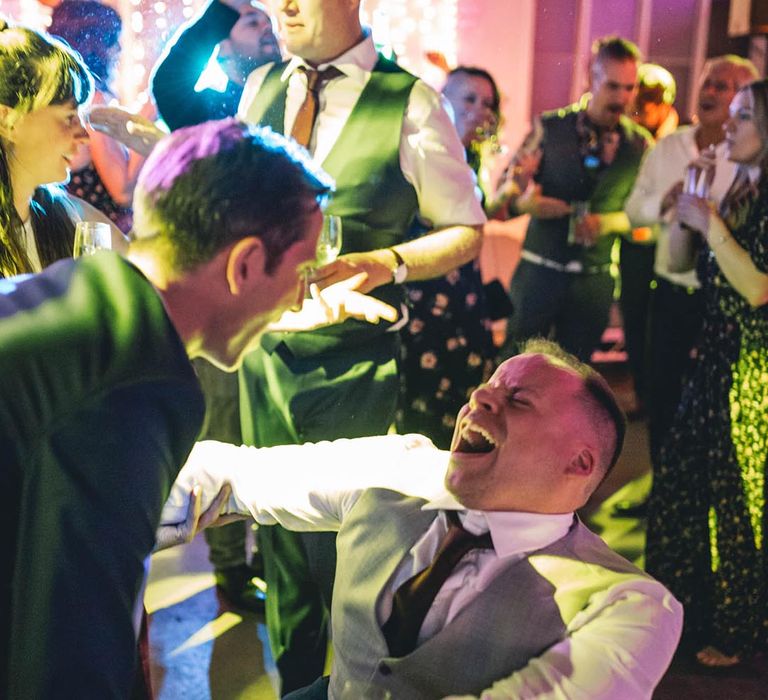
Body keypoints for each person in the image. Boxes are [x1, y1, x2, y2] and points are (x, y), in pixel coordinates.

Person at [0, 113, 398, 698]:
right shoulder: (135, 381)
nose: (302, 296)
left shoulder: (88, 302)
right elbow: (69, 650)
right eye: (303, 272)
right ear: (243, 264)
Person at [162, 339, 683, 699]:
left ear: (579, 463)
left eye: (517, 400)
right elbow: (235, 475)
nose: (478, 398)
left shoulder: (631, 604)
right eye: (488, 387)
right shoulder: (400, 465)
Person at [236, 0, 485, 691]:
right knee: (277, 548)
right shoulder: (260, 87)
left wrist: (387, 263)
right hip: (262, 355)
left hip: (353, 363)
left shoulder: (409, 100)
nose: (280, 6)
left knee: (341, 556)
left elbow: (464, 227)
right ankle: (294, 685)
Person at [150, 0, 282, 611]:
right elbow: (168, 80)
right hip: (225, 300)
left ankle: (281, 560)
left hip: (290, 299)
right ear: (223, 50)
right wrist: (221, 9)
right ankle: (232, 567)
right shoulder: (209, 111)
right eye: (253, 23)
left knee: (278, 435)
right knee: (227, 425)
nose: (270, 29)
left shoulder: (294, 100)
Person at [645, 78, 768, 668]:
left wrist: (711, 219)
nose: (730, 127)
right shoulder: (742, 189)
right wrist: (685, 207)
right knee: (681, 490)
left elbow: (758, 289)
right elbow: (676, 263)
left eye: (744, 117)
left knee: (739, 507)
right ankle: (680, 611)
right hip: (714, 359)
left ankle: (739, 631)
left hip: (754, 370)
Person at [625, 55, 759, 466]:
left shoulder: (749, 167)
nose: (710, 92)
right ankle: (661, 486)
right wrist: (670, 205)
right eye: (707, 83)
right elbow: (634, 212)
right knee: (661, 393)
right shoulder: (669, 148)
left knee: (712, 408)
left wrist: (706, 216)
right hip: (671, 286)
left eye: (723, 86)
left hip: (727, 303)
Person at [498, 36, 651, 363]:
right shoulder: (548, 128)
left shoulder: (640, 145)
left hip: (594, 281)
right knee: (515, 365)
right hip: (540, 273)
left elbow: (648, 215)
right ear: (590, 78)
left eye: (629, 88)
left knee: (576, 375)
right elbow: (502, 201)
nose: (622, 98)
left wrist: (608, 221)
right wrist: (528, 203)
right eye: (613, 86)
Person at [396, 66, 501, 448]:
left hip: (466, 296)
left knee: (466, 399)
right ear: (443, 103)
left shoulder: (473, 158)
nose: (479, 110)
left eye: (486, 102)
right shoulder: (420, 153)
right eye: (468, 99)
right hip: (429, 296)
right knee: (425, 408)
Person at [0, 18, 123, 280]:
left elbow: (154, 276)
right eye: (69, 118)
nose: (84, 136)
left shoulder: (72, 216)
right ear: (7, 121)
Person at [49, 0, 148, 233]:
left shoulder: (60, 96)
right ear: (94, 43)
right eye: (113, 40)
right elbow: (123, 191)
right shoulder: (90, 101)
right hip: (100, 237)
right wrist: (146, 119)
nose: (119, 50)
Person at [619, 62, 679, 411]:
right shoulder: (631, 139)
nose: (639, 112)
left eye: (646, 104)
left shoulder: (679, 142)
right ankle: (643, 392)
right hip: (635, 246)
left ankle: (656, 394)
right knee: (634, 319)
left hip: (666, 245)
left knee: (660, 324)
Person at [152, 0, 280, 131]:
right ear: (223, 47)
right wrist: (226, 7)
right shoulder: (212, 112)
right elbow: (168, 85)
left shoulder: (296, 90)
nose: (267, 27)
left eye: (270, 23)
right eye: (253, 23)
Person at [631, 62, 679, 140]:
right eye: (643, 98)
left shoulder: (681, 141)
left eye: (655, 98)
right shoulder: (620, 135)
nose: (647, 107)